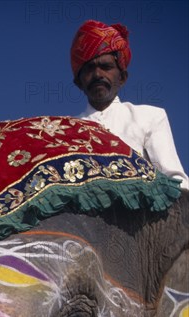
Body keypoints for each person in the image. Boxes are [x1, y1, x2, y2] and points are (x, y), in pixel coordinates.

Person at [70, 20, 189, 190]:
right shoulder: (68, 130)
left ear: (122, 78)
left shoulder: (149, 117)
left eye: (106, 67)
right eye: (89, 69)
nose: (97, 74)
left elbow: (177, 182)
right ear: (79, 83)